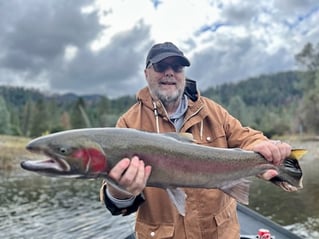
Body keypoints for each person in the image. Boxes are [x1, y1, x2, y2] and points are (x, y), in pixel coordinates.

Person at [100, 42, 292, 239]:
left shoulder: (212, 111)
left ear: (183, 73)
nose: (169, 73)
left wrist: (259, 147)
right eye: (160, 67)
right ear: (146, 73)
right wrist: (120, 191)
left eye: (177, 67)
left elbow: (246, 137)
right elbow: (118, 206)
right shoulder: (128, 123)